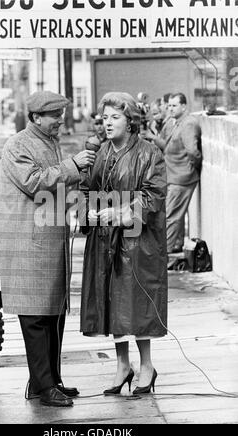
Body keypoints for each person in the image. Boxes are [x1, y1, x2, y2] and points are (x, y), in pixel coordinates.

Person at [0, 90, 96, 407]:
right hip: (29, 242)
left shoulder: (49, 143)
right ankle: (44, 386)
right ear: (37, 117)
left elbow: (59, 186)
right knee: (36, 317)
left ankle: (48, 381)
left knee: (52, 313)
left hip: (48, 240)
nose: (60, 121)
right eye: (55, 116)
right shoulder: (18, 145)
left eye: (61, 115)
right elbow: (35, 181)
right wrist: (72, 165)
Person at [80, 92, 168, 396]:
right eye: (104, 118)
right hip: (104, 241)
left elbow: (154, 193)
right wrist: (88, 211)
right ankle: (122, 365)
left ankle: (147, 366)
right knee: (111, 303)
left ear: (130, 121)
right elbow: (86, 189)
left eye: (114, 117)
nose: (107, 123)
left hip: (136, 242)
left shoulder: (149, 153)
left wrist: (120, 213)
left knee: (137, 303)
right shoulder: (100, 153)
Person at [165, 92, 202, 254]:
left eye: (174, 105)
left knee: (171, 217)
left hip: (182, 177)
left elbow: (193, 152)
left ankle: (163, 255)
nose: (170, 109)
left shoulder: (188, 124)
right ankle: (172, 247)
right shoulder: (176, 123)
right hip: (174, 176)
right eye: (169, 106)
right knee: (172, 216)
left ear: (184, 106)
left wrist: (193, 168)